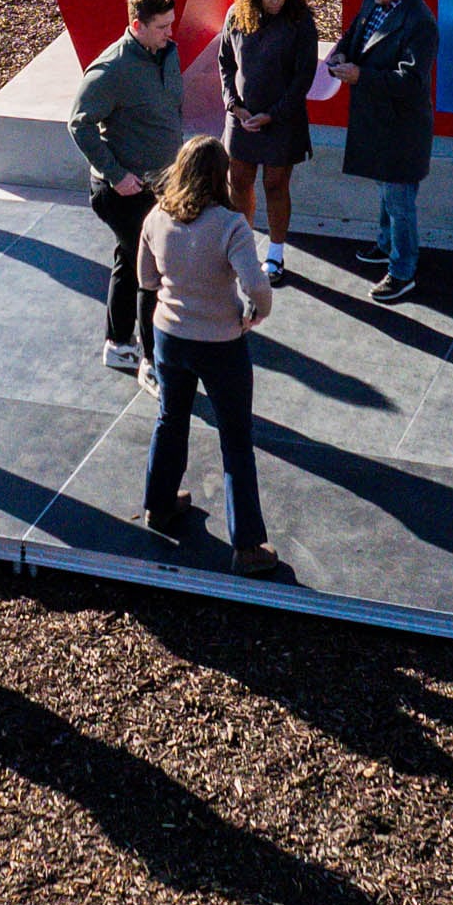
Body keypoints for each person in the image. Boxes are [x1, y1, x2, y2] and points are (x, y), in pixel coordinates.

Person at [135, 135, 282, 575]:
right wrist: (254, 314)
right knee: (235, 439)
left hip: (169, 338)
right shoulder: (231, 225)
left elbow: (146, 281)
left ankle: (158, 506)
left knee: (170, 418)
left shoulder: (157, 216)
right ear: (221, 177)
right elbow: (256, 287)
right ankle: (249, 546)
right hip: (220, 343)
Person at [71, 0, 185, 372]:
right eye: (162, 26)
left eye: (172, 24)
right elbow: (79, 125)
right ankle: (151, 358)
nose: (171, 32)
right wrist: (117, 175)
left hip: (161, 184)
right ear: (137, 25)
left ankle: (119, 342)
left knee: (131, 259)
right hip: (124, 190)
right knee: (147, 266)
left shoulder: (167, 53)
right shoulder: (111, 69)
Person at [327, 0, 437, 304]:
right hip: (378, 123)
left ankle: (402, 271)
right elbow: (355, 32)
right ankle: (386, 243)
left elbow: (411, 81)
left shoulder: (420, 24)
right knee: (387, 190)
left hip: (401, 131)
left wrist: (361, 75)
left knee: (399, 199)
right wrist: (342, 55)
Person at [216, 0, 320, 284]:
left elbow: (304, 76)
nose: (275, 1)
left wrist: (272, 114)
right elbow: (225, 64)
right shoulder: (236, 17)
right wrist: (234, 106)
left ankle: (275, 254)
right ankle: (242, 250)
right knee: (239, 183)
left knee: (275, 185)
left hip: (282, 120)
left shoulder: (299, 21)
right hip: (242, 120)